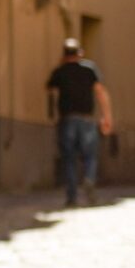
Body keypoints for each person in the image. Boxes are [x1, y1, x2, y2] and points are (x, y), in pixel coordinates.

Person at [46, 37, 113, 207]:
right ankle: (89, 179)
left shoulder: (60, 71)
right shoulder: (89, 69)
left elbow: (49, 89)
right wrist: (107, 116)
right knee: (90, 156)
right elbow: (100, 92)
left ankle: (72, 197)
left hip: (67, 119)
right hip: (87, 120)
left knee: (69, 158)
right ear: (80, 53)